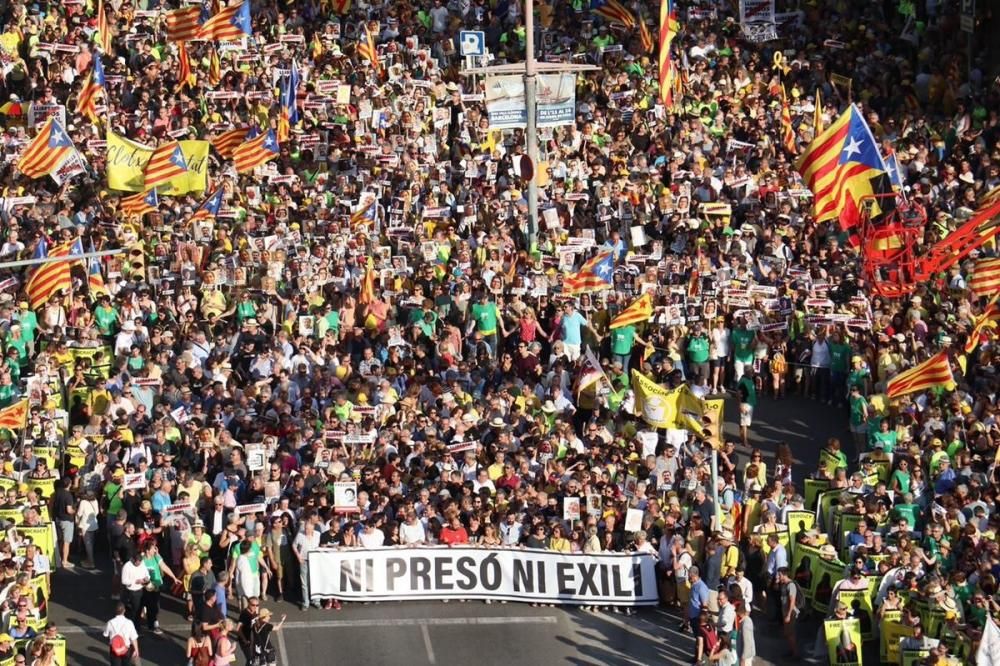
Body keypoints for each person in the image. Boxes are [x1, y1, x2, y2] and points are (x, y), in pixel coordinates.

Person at [104, 602, 139, 666]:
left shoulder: (110, 622)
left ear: (115, 611)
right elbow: (134, 638)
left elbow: (105, 635)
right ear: (124, 610)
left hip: (114, 649)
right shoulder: (129, 623)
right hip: (126, 648)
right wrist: (136, 650)